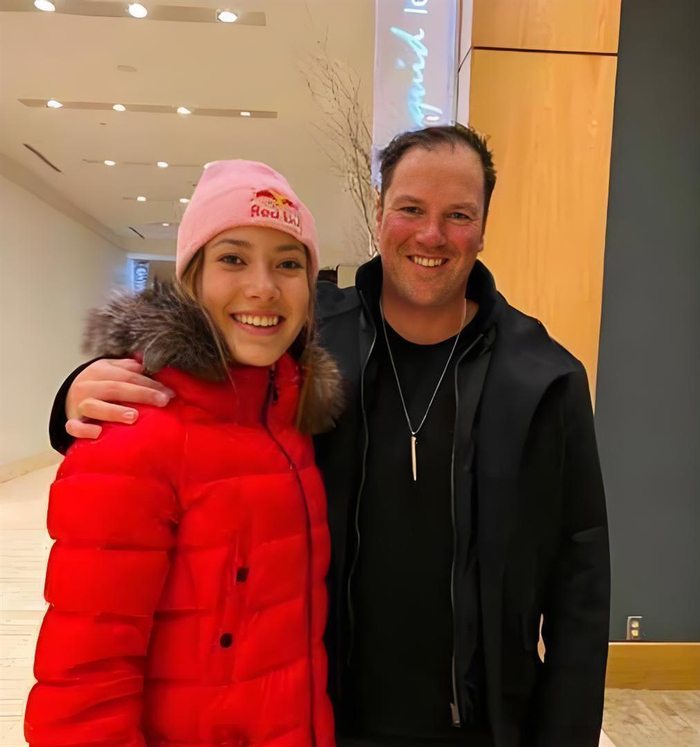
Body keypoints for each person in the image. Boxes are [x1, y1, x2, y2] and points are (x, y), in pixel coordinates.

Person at [48, 125, 611, 747]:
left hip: (485, 726)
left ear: (482, 227)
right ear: (380, 212)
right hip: (324, 720)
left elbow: (580, 583)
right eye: (411, 209)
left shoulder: (544, 379)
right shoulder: (309, 346)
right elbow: (206, 381)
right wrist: (80, 390)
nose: (431, 234)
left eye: (458, 215)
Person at [27, 160, 344, 746]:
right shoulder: (130, 432)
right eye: (233, 258)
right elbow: (83, 687)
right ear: (191, 279)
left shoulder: (293, 423)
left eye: (288, 263)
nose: (263, 287)